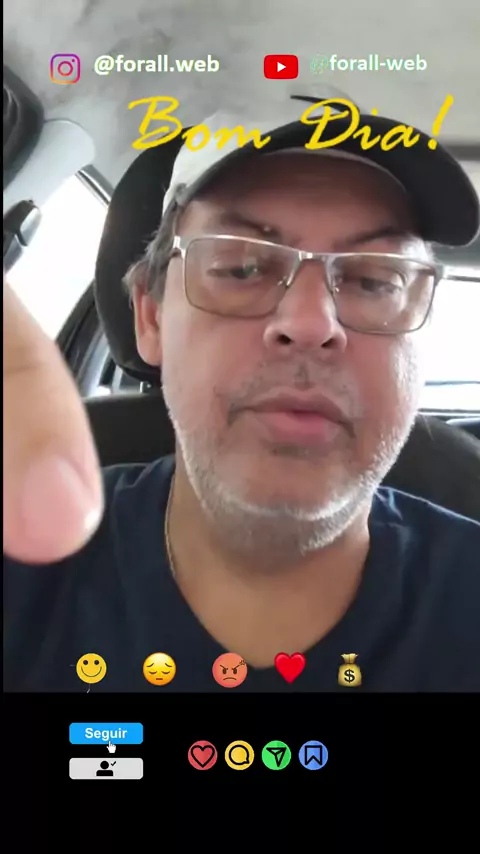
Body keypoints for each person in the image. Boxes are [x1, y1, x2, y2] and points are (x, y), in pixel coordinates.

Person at [3, 97, 480, 692]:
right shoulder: (23, 558)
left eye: (374, 280)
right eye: (241, 268)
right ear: (151, 318)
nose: (310, 324)